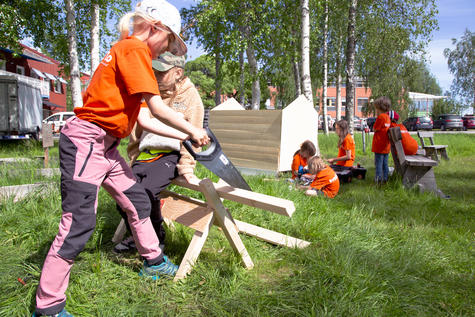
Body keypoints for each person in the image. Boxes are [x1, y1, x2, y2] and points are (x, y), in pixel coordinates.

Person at [32, 1, 210, 316]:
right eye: (167, 41)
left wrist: (183, 136)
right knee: (78, 224)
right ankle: (47, 307)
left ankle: (153, 262)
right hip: (88, 143)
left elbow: (144, 119)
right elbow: (157, 107)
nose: (164, 50)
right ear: (156, 28)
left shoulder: (128, 54)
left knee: (138, 200)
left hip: (107, 147)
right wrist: (193, 130)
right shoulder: (134, 50)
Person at [114, 52, 204, 253]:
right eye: (153, 71)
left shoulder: (190, 97)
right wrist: (134, 157)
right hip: (145, 155)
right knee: (122, 196)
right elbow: (139, 130)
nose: (155, 76)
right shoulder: (149, 91)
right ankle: (138, 235)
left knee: (144, 195)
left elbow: (195, 134)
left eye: (161, 73)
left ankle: (154, 239)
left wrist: (186, 167)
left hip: (169, 156)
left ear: (178, 72)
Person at [372, 97, 391, 184]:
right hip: (386, 146)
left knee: (378, 164)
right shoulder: (387, 117)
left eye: (376, 108)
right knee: (385, 164)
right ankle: (385, 179)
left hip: (379, 145)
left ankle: (378, 180)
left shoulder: (380, 117)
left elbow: (375, 128)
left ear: (379, 108)